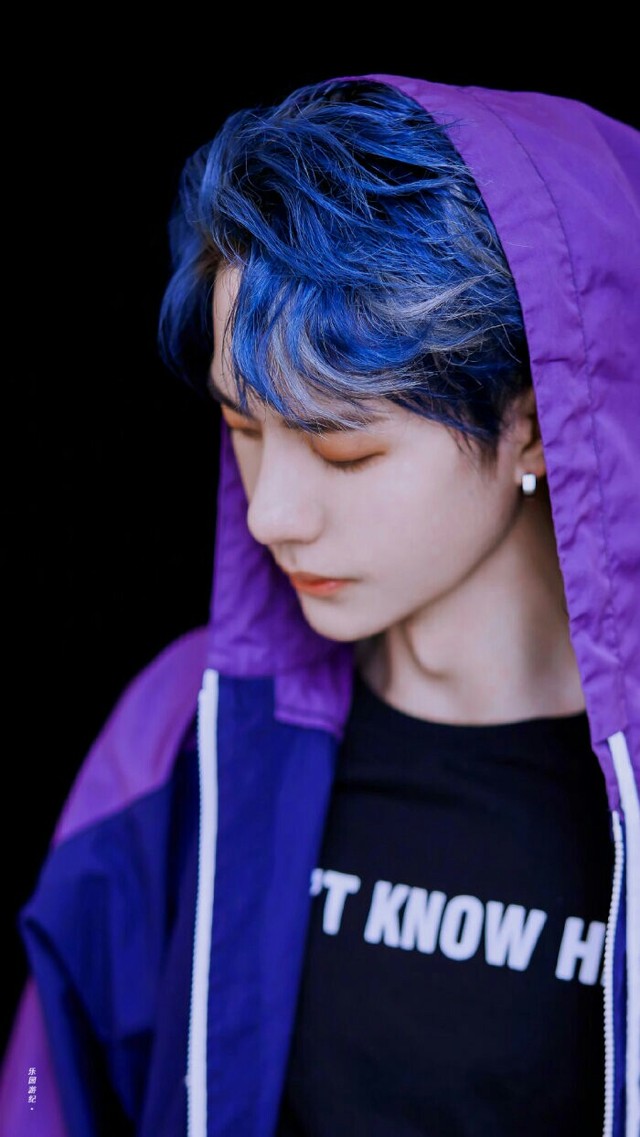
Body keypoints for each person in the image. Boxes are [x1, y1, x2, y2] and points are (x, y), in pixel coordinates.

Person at [1, 72, 638, 1137]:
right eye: (244, 431)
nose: (269, 515)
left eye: (344, 451)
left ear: (534, 424)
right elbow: (42, 1093)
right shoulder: (183, 729)